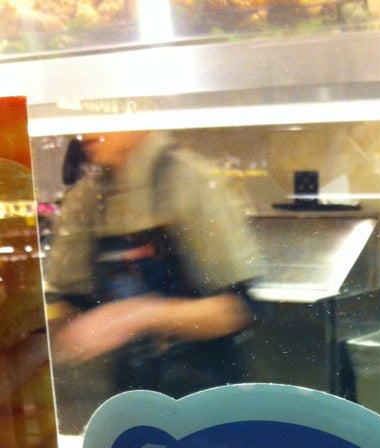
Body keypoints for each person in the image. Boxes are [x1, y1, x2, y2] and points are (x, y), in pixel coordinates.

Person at [44, 130, 261, 429]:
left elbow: (237, 308)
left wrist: (140, 315)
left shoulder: (189, 180)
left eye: (99, 119)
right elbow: (68, 304)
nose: (86, 132)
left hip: (206, 401)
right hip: (129, 400)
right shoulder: (86, 199)